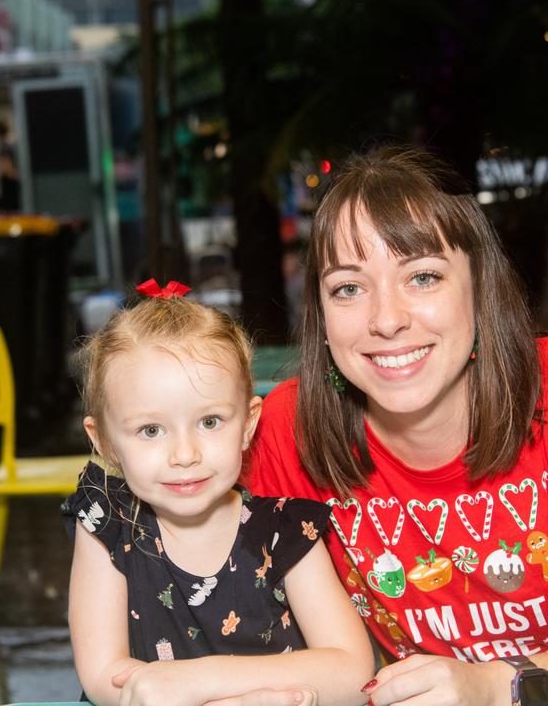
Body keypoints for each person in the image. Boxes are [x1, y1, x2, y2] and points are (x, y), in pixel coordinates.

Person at [246, 147, 548, 706]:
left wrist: (499, 688)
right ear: (321, 317)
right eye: (348, 288)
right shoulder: (288, 428)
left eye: (422, 277)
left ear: (480, 289)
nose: (386, 319)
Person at [62, 280, 375, 706]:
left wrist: (197, 684)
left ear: (247, 424)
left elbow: (354, 673)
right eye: (151, 430)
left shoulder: (287, 530)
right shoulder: (107, 525)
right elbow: (103, 675)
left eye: (209, 422)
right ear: (105, 443)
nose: (185, 454)